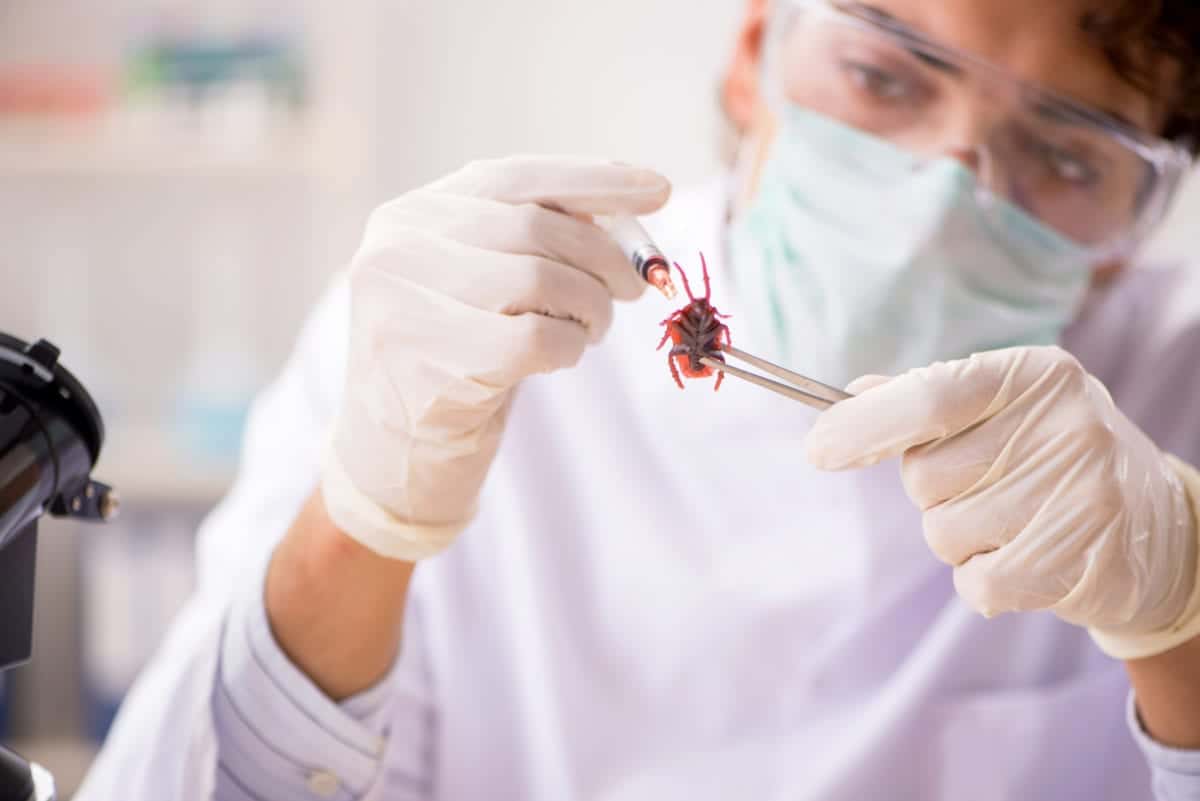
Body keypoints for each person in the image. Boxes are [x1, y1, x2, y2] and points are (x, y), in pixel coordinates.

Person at [77, 0, 1200, 798]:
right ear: (756, 51)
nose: (941, 202)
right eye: (885, 76)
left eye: (1064, 155)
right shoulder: (466, 324)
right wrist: (366, 520)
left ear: (1135, 226)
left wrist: (1182, 617)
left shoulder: (1177, 396)